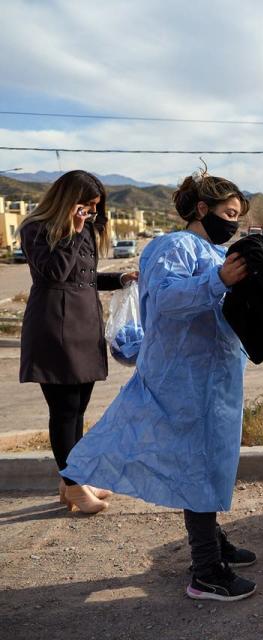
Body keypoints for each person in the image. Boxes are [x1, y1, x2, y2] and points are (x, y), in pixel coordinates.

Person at [63, 171, 258, 602]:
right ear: (202, 210)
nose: (234, 223)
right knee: (197, 464)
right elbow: (169, 300)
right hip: (183, 378)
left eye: (238, 217)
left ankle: (215, 541)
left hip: (213, 377)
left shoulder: (210, 249)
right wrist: (219, 281)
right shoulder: (173, 246)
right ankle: (206, 569)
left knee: (212, 462)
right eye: (228, 214)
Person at [18, 170, 137, 514]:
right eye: (85, 205)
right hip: (55, 327)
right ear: (68, 201)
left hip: (83, 327)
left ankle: (72, 480)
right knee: (64, 409)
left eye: (94, 208)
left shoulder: (83, 231)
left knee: (79, 409)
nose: (90, 213)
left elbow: (82, 278)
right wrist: (73, 229)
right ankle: (74, 485)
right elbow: (55, 272)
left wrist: (119, 278)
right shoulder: (36, 228)